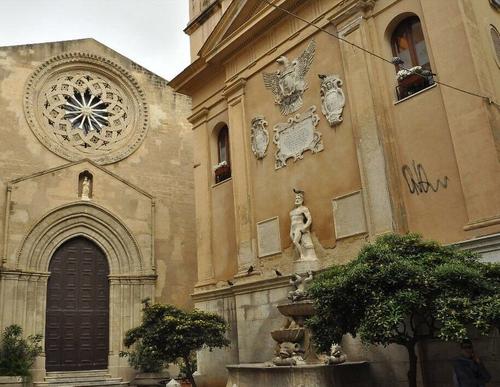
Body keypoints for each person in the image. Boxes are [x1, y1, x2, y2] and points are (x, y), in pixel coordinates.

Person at [289, 189, 314, 259]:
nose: (297, 199)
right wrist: (290, 231)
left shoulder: (304, 209)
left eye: (299, 198)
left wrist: (304, 227)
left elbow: (309, 219)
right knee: (297, 243)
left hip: (299, 227)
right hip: (293, 229)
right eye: (296, 198)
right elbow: (292, 223)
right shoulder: (292, 212)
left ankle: (302, 256)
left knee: (295, 242)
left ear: (302, 200)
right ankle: (301, 256)